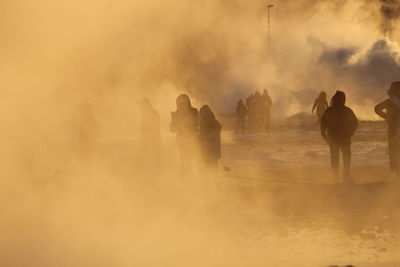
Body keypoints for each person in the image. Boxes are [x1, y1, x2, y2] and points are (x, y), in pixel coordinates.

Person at [320, 91, 358, 180]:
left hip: (333, 138)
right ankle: (346, 176)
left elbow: (323, 123)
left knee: (334, 158)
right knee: (346, 158)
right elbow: (355, 123)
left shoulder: (329, 110)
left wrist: (324, 135)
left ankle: (335, 176)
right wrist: (351, 132)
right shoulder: (347, 110)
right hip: (345, 138)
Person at [375, 81, 400, 176]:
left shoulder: (389, 101)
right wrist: (387, 117)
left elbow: (377, 109)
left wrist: (387, 117)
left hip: (393, 130)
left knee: (395, 151)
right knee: (394, 151)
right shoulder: (389, 102)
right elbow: (376, 108)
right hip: (393, 130)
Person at [170, 94, 199, 177]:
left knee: (188, 161)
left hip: (191, 141)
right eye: (179, 103)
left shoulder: (193, 111)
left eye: (183, 102)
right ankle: (186, 178)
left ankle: (188, 177)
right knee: (184, 162)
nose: (181, 105)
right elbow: (172, 129)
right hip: (183, 142)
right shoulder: (177, 113)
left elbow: (197, 124)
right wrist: (173, 120)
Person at [198, 105, 221, 178]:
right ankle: (210, 184)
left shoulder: (212, 122)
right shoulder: (208, 122)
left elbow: (212, 135)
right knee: (210, 169)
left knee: (211, 169)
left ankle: (212, 185)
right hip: (209, 151)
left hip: (211, 151)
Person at [137, 98, 161, 165]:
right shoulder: (148, 114)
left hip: (152, 142)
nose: (140, 108)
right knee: (149, 161)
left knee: (153, 161)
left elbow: (152, 129)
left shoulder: (152, 114)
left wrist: (145, 141)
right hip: (149, 142)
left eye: (141, 106)